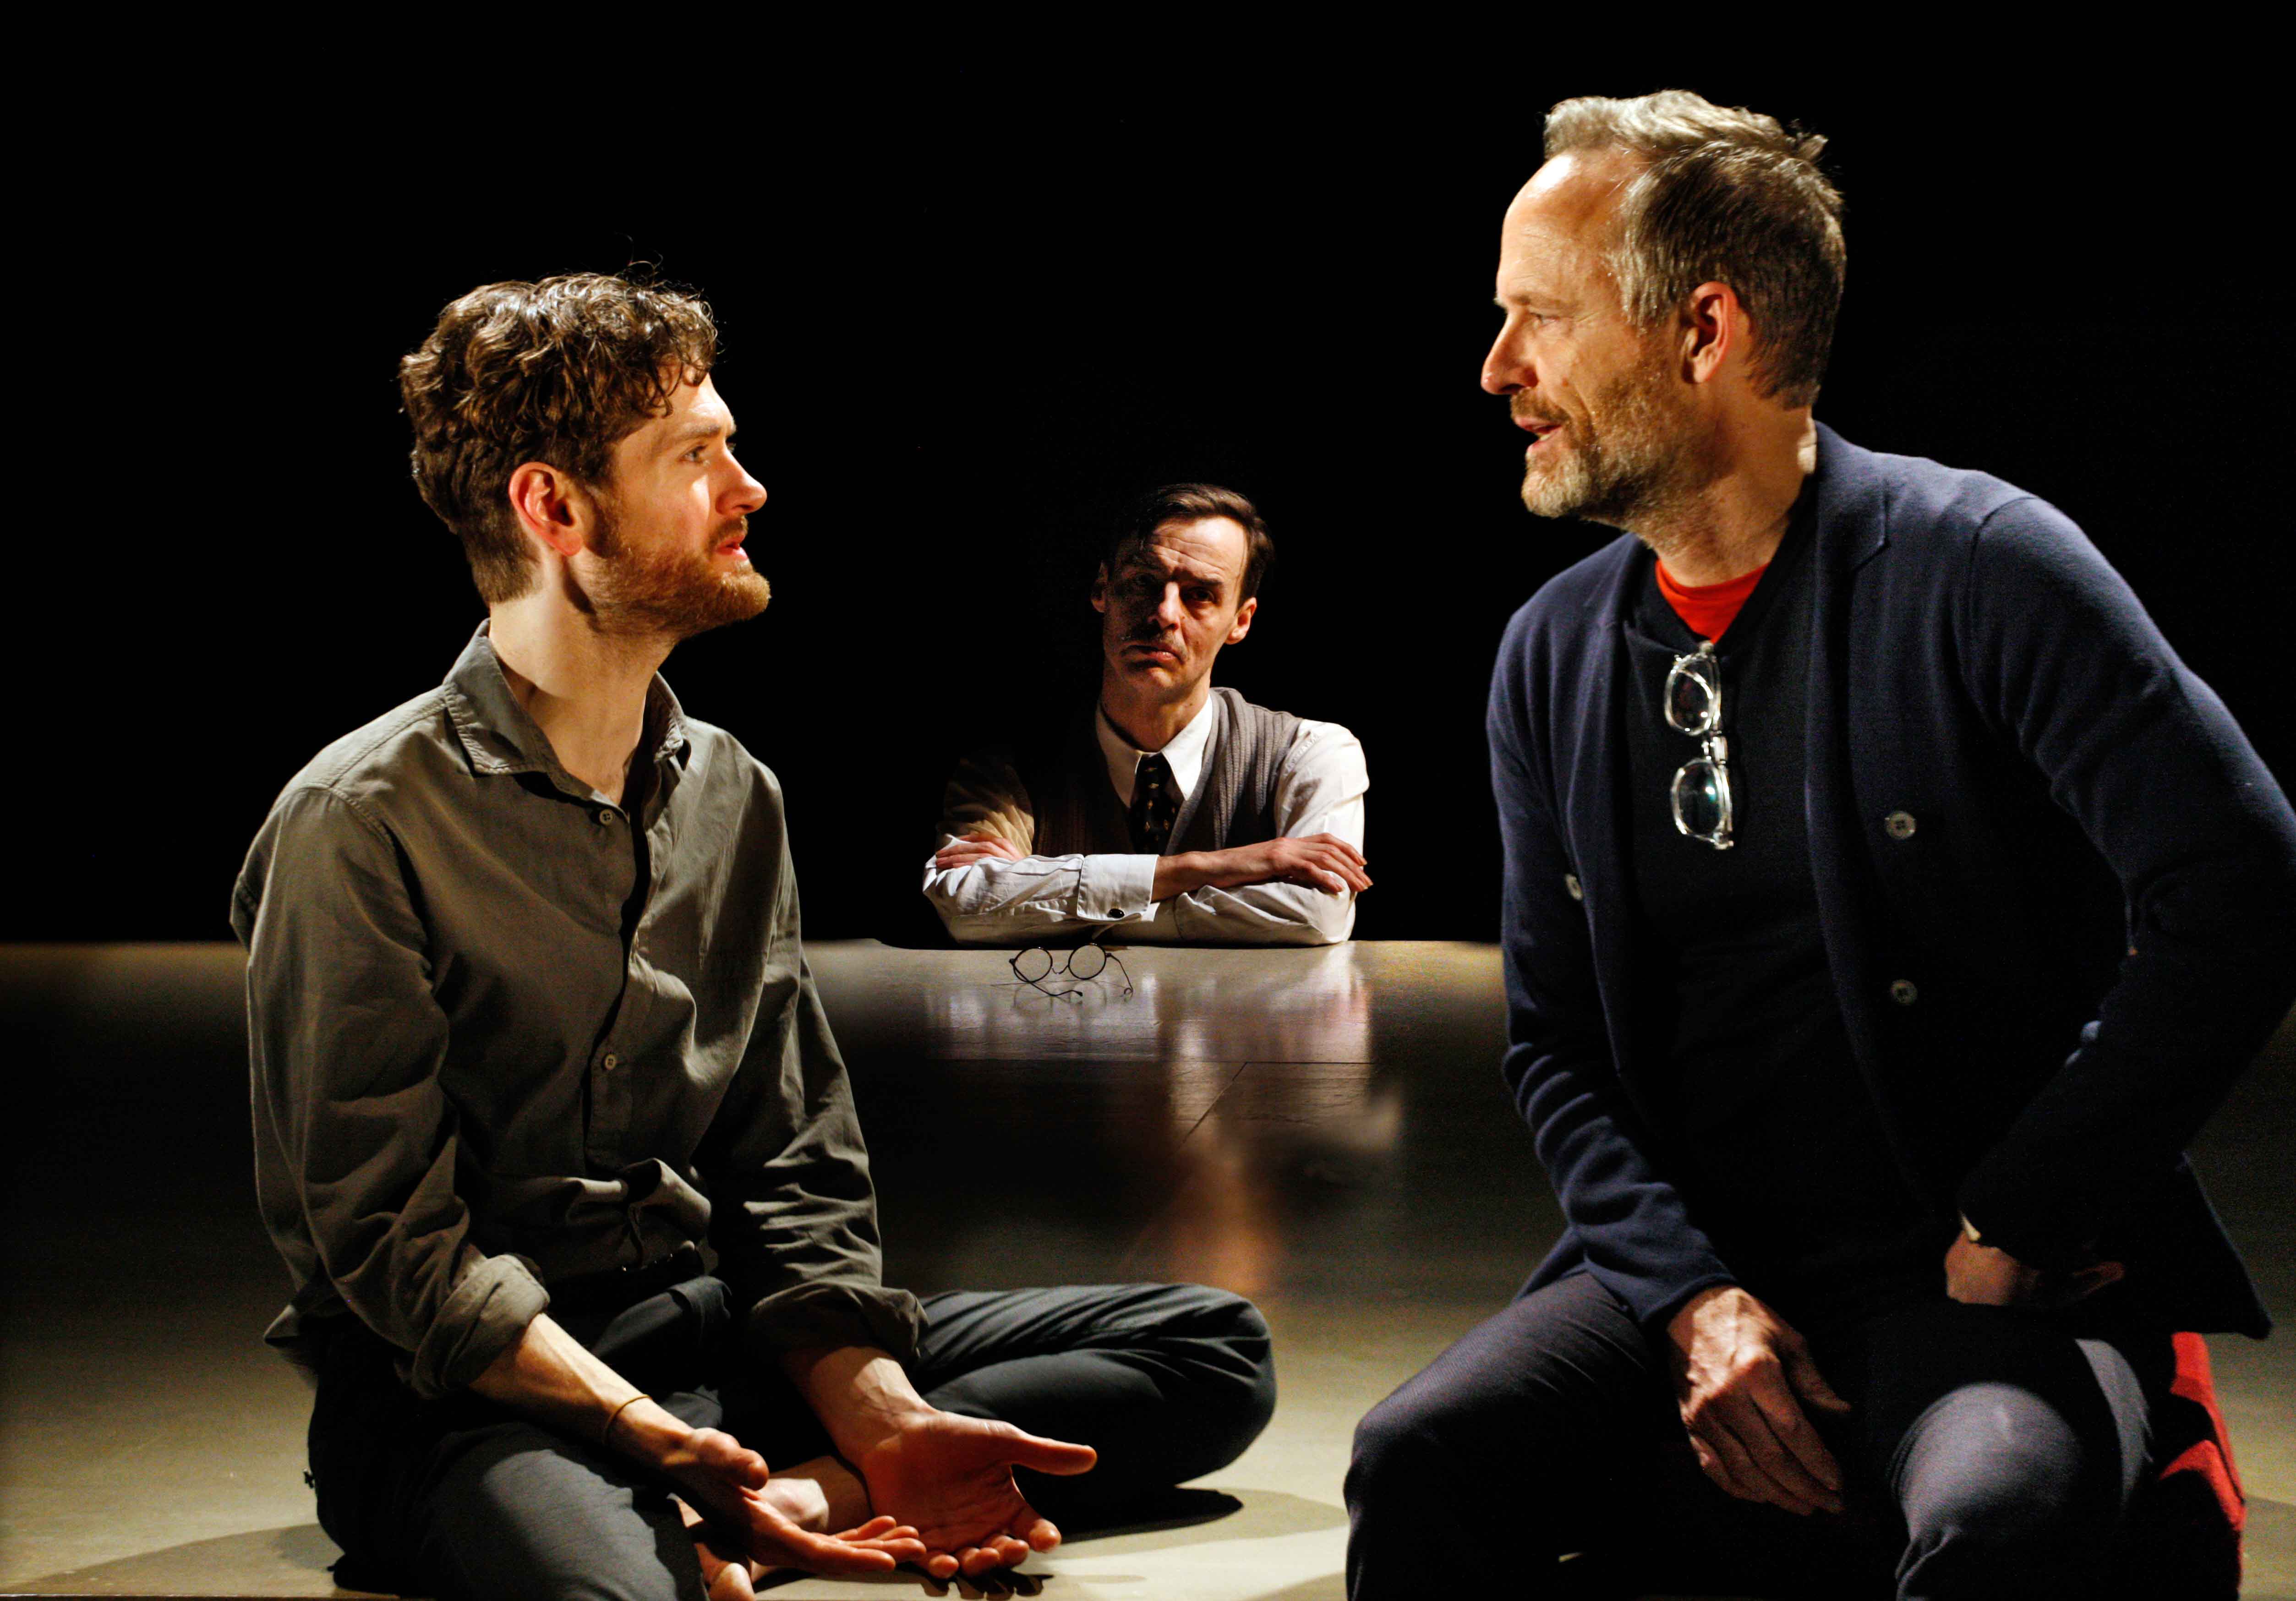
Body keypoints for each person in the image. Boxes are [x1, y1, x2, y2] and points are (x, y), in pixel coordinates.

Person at [1345, 90, 2296, 1600]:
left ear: (1702, 330)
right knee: (1415, 1468)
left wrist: (2026, 1207)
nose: (1497, 368)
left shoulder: (1982, 566)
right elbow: (1553, 1041)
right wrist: (1689, 1300)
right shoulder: (1548, 651)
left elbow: (2239, 884)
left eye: (1538, 317)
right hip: (1698, 1274)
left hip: (1974, 1284)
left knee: (1997, 1522)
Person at [231, 274, 1275, 1601]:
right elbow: (392, 1252)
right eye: (697, 455)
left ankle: (779, 1504)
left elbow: (793, 1153)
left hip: (714, 1337)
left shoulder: (735, 792)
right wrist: (649, 1436)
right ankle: (676, 1509)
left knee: (1211, 1346)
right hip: (476, 1395)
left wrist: (871, 1412)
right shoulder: (357, 821)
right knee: (609, 1591)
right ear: (553, 507)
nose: (749, 486)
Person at [925, 483, 1371, 946]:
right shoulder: (1009, 770)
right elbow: (963, 905)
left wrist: (1059, 899)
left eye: (1199, 594)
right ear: (1103, 588)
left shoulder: (1309, 753)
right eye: (1143, 582)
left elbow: (1316, 913)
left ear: (1240, 620)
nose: (1163, 613)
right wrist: (1205, 868)